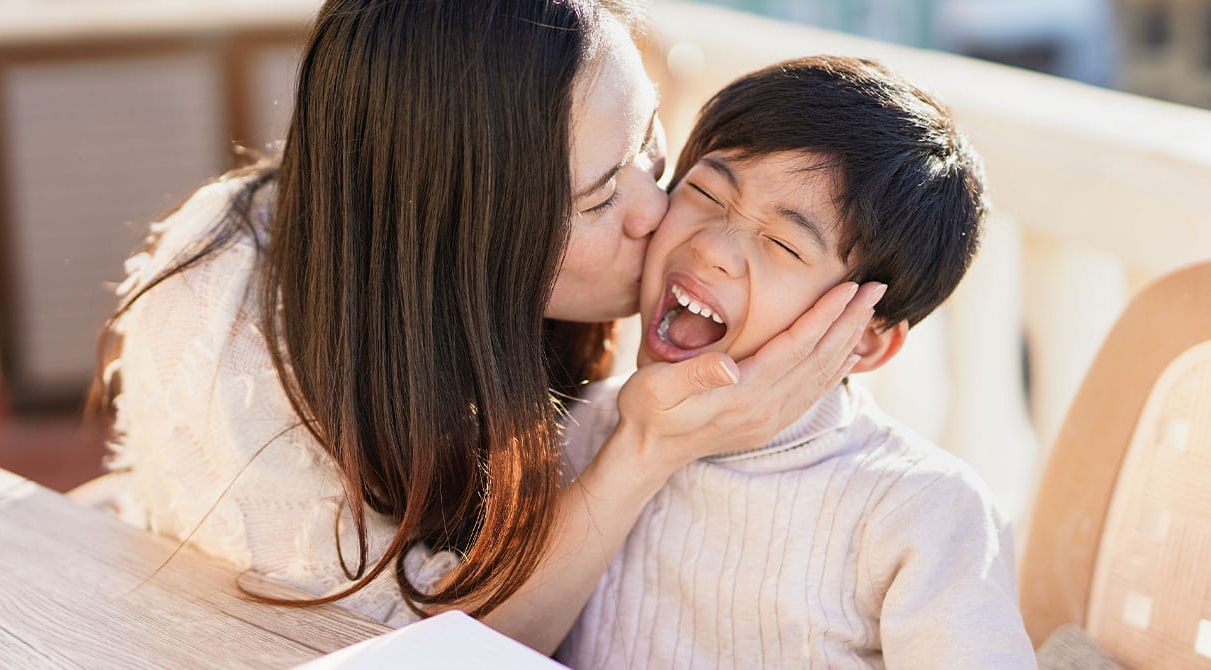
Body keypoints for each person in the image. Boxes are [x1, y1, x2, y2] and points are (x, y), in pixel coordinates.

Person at [93, 1, 881, 654]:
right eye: (603, 199)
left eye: (648, 143)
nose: (659, 209)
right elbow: (429, 657)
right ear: (450, 235)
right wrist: (648, 448)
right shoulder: (233, 327)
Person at [556, 56, 1037, 668]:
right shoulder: (576, 428)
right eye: (704, 192)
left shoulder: (919, 511)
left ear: (862, 340)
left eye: (783, 243)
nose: (713, 247)